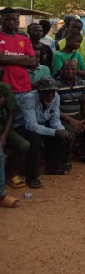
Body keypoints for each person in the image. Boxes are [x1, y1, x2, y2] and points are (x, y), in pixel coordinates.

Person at [12, 78, 74, 186]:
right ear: (39, 91)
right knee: (35, 139)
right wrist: (56, 132)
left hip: (40, 123)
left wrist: (61, 131)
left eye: (52, 91)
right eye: (46, 92)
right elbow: (31, 125)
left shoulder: (56, 98)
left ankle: (53, 167)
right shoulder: (29, 99)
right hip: (22, 126)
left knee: (63, 133)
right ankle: (32, 177)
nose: (50, 95)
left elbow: (55, 120)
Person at [56, 59, 85, 165]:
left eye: (73, 69)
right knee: (70, 133)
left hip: (78, 114)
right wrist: (72, 120)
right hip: (63, 116)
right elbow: (54, 109)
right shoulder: (56, 84)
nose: (70, 71)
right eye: (67, 69)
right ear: (62, 70)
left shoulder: (82, 82)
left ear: (76, 70)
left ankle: (82, 153)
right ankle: (65, 159)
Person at [0, 73, 21, 207]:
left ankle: (1, 194)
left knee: (0, 154)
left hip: (2, 129)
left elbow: (11, 114)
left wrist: (4, 135)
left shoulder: (4, 89)